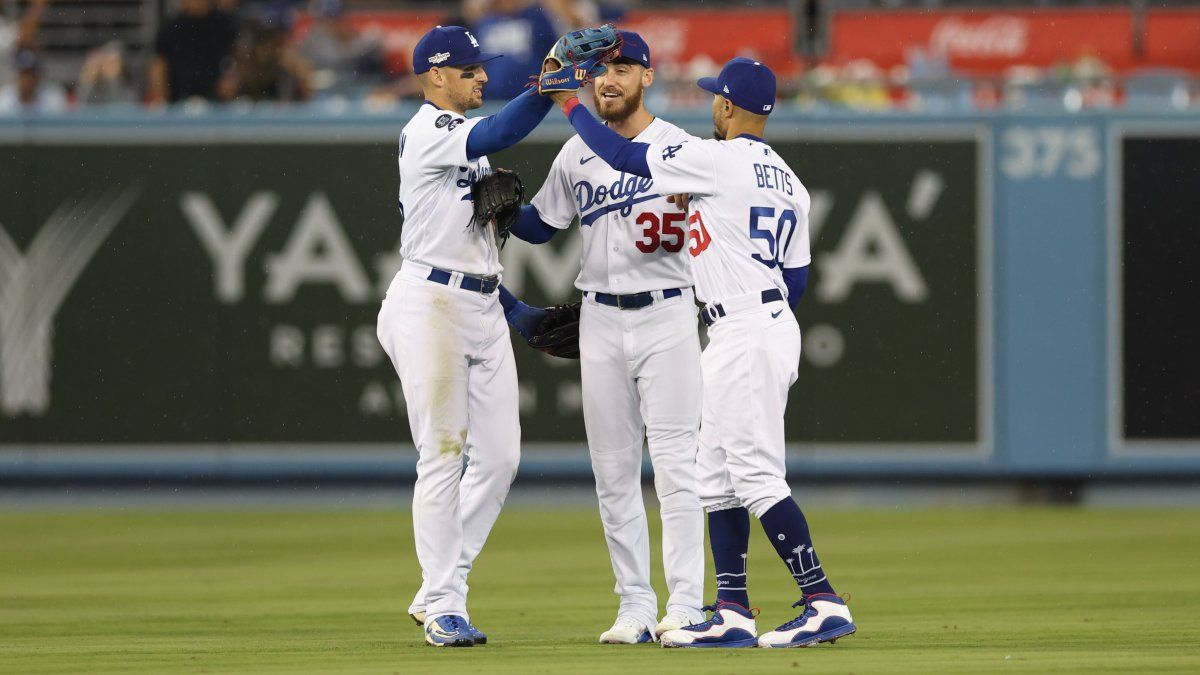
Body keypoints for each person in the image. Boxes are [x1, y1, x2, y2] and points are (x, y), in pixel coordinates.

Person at [543, 56, 857, 648]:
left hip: (742, 327)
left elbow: (624, 156)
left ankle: (822, 600)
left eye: (717, 96)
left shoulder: (715, 159)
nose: (712, 103)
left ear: (730, 106)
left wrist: (569, 105)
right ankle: (733, 611)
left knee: (755, 474)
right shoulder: (791, 181)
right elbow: (797, 283)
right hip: (759, 318)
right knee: (713, 476)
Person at [506, 31, 705, 644]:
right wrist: (496, 198)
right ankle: (636, 608)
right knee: (613, 471)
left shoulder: (683, 149)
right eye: (600, 70)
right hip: (599, 317)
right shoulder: (574, 155)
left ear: (648, 76)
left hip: (669, 314)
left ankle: (689, 606)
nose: (609, 79)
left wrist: (563, 101)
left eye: (623, 67)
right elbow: (540, 229)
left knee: (676, 467)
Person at [376, 24, 554, 648]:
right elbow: (503, 129)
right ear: (435, 77)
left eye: (483, 67)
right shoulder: (430, 130)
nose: (482, 75)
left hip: (480, 303)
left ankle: (437, 588)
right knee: (444, 455)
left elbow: (500, 238)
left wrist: (517, 310)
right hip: (428, 303)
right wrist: (546, 89)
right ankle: (447, 604)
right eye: (470, 69)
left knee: (501, 458)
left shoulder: (468, 149)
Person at [148, 0, 238, 104]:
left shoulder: (224, 25)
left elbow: (236, 58)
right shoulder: (170, 28)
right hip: (178, 100)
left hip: (216, 100)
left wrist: (230, 80)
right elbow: (158, 64)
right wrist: (161, 95)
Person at [469, 0, 558, 100]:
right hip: (492, 98)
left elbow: (553, 54)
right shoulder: (484, 23)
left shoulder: (536, 18)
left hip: (530, 97)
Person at [0, 48, 67, 113]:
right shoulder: (5, 99)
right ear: (16, 75)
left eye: (31, 74)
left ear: (39, 75)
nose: (27, 79)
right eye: (23, 74)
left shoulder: (53, 98)